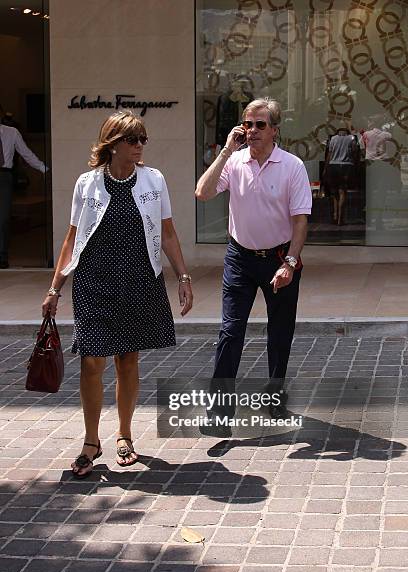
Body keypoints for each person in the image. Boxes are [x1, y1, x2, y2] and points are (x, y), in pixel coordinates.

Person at [42, 111, 193, 478]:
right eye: (132, 140)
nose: (140, 146)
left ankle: (124, 435)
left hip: (140, 280)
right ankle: (91, 442)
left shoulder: (153, 179)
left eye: (143, 140)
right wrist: (55, 287)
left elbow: (168, 233)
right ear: (112, 144)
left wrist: (183, 276)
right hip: (95, 281)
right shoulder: (87, 183)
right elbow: (72, 237)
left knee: (128, 360)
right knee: (92, 360)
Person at [195, 98, 311, 431]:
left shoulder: (292, 166)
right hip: (240, 258)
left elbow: (300, 221)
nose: (252, 131)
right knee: (230, 331)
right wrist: (225, 151)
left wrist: (289, 263)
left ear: (274, 130)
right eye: (247, 124)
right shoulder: (234, 162)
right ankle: (219, 413)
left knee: (279, 333)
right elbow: (202, 192)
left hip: (279, 257)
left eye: (260, 125)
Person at [0, 121, 47, 268]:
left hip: (4, 176)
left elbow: (26, 153)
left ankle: (2, 256)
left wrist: (43, 168)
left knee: (3, 218)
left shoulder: (11, 132)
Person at [323, 128, 359, 226]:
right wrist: (356, 165)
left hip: (333, 166)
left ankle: (335, 216)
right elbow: (355, 153)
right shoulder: (351, 138)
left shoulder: (333, 139)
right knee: (342, 192)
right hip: (346, 166)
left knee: (334, 193)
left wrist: (325, 168)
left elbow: (329, 154)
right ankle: (340, 218)